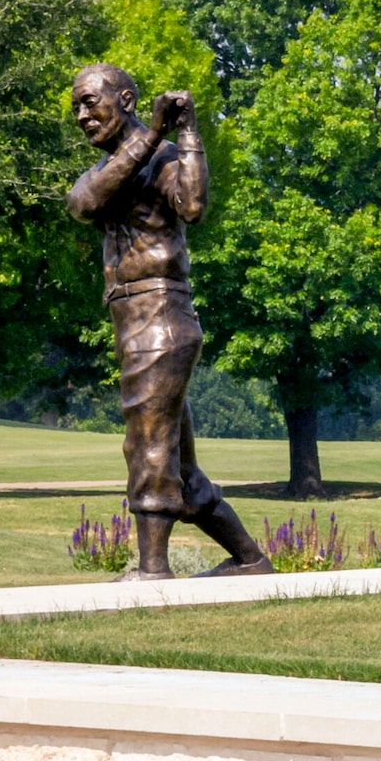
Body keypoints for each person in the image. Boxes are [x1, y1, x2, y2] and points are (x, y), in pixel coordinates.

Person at [65, 63, 273, 581]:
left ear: (128, 101)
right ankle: (251, 560)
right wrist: (154, 133)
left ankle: (153, 569)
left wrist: (184, 131)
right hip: (137, 319)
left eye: (91, 102)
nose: (83, 115)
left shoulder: (160, 157)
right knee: (180, 468)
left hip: (158, 315)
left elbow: (194, 205)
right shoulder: (116, 166)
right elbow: (84, 202)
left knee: (147, 445)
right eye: (77, 107)